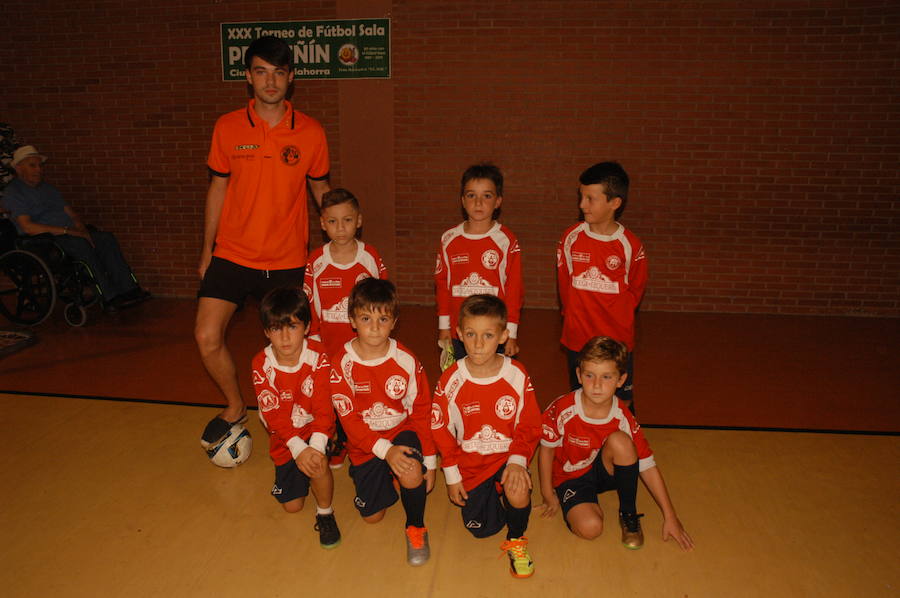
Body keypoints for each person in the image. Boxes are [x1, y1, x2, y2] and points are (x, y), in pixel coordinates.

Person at [196, 35, 331, 451]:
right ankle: (236, 405)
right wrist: (206, 253)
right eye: (260, 72)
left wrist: (340, 247)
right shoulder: (227, 126)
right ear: (248, 78)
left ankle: (309, 418)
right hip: (232, 254)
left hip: (287, 259)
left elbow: (322, 192)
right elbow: (217, 189)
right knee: (206, 336)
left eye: (278, 73)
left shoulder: (310, 132)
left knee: (294, 348)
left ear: (291, 78)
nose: (269, 81)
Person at [538, 336, 693, 551]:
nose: (597, 385)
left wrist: (671, 516)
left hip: (605, 470)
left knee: (621, 441)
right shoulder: (563, 408)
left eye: (607, 377)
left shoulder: (622, 416)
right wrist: (548, 494)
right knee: (591, 529)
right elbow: (546, 450)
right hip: (572, 477)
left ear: (621, 380)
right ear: (579, 375)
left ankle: (628, 514)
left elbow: (647, 466)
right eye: (590, 375)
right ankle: (583, 504)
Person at [431, 294, 542, 578]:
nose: (478, 344)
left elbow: (530, 424)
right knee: (481, 531)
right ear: (458, 334)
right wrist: (452, 475)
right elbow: (439, 429)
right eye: (471, 334)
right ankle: (492, 491)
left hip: (507, 457)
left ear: (504, 336)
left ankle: (516, 540)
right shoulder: (450, 380)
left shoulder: (517, 374)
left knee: (516, 491)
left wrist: (518, 461)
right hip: (471, 464)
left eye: (488, 335)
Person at [329, 278, 436, 566]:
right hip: (365, 444)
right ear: (352, 320)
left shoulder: (406, 360)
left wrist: (431, 462)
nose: (374, 327)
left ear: (394, 322)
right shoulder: (341, 364)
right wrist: (384, 451)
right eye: (366, 318)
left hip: (402, 430)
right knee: (372, 517)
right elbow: (349, 421)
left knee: (412, 471)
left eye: (383, 318)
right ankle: (377, 474)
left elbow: (423, 412)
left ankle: (415, 527)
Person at [1, 145, 150, 311]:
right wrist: (68, 231)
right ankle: (109, 296)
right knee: (81, 245)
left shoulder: (49, 189)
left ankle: (129, 289)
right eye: (32, 166)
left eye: (40, 165)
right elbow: (27, 227)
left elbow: (71, 214)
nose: (39, 170)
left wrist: (83, 231)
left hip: (69, 232)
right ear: (19, 168)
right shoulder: (14, 193)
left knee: (105, 238)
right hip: (44, 240)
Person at [304, 188, 388, 469]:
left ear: (359, 221)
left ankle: (362, 445)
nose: (340, 228)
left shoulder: (371, 257)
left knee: (363, 395)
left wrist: (379, 342)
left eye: (347, 220)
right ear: (322, 223)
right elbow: (310, 306)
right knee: (331, 400)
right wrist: (315, 346)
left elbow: (384, 303)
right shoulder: (315, 261)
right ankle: (335, 443)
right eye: (332, 221)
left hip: (364, 347)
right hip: (328, 349)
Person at [251, 287, 341, 548]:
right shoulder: (261, 364)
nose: (285, 337)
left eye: (292, 326)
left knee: (318, 463)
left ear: (307, 327)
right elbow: (273, 414)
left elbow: (325, 406)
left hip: (314, 431)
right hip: (285, 438)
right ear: (267, 331)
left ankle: (325, 513)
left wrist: (313, 448)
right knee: (292, 507)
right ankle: (299, 469)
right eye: (276, 329)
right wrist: (296, 448)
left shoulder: (319, 356)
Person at [557, 161, 646, 411]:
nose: (582, 205)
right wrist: (574, 318)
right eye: (581, 197)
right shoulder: (570, 238)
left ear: (615, 203)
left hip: (617, 342)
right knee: (580, 399)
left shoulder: (630, 246)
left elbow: (635, 292)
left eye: (590, 198)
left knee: (622, 403)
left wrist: (615, 320)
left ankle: (622, 446)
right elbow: (565, 286)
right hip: (579, 340)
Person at [434, 163, 523, 363]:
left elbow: (514, 289)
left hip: (493, 331)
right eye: (471, 195)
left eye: (487, 196)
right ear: (462, 201)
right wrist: (444, 327)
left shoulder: (506, 240)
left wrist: (512, 332)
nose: (478, 203)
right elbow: (442, 286)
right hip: (461, 331)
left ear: (498, 201)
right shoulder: (449, 239)